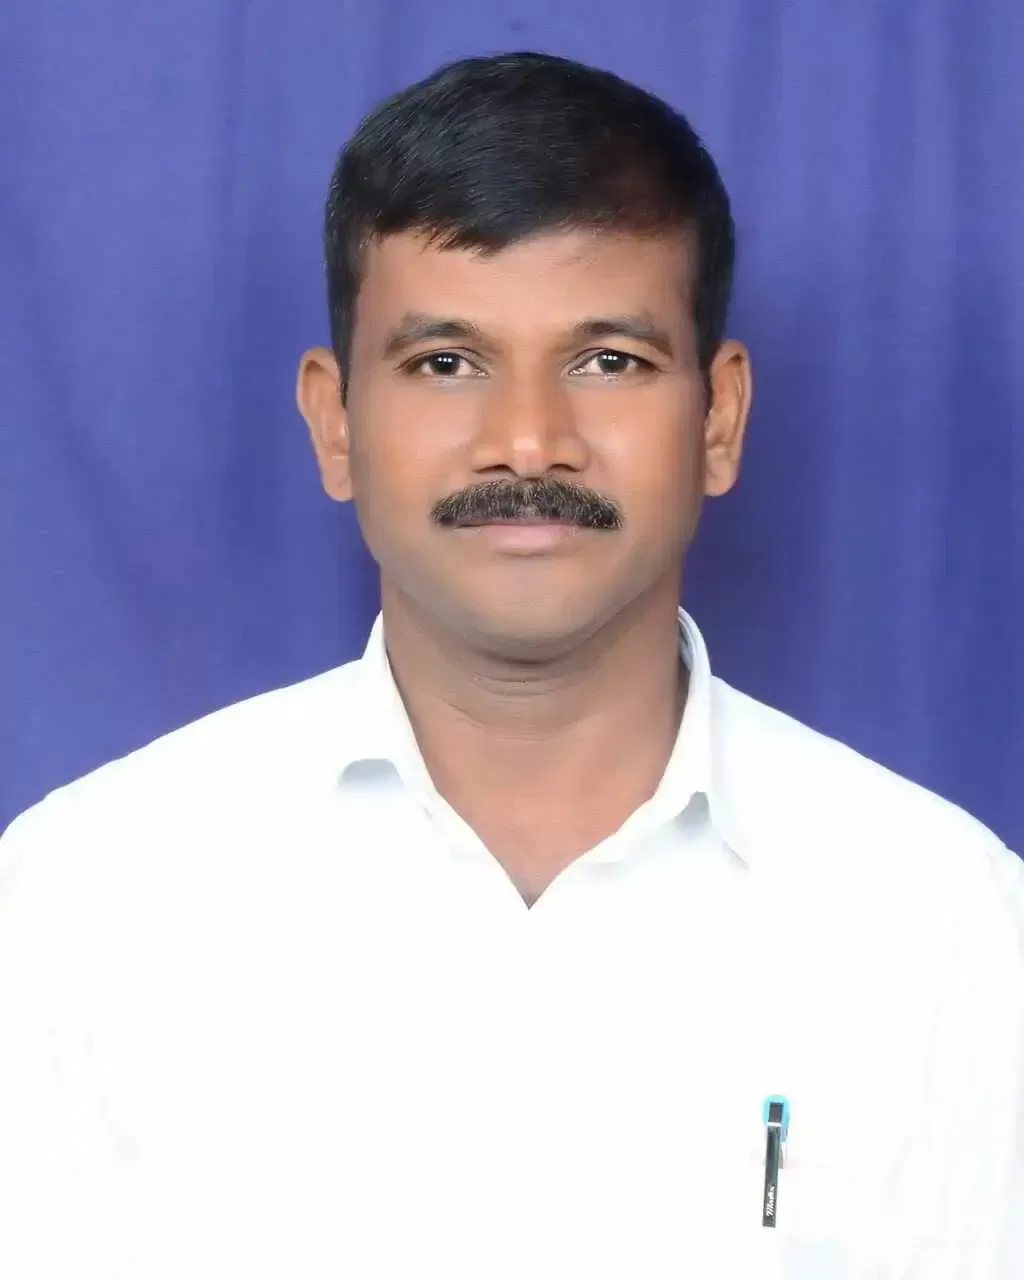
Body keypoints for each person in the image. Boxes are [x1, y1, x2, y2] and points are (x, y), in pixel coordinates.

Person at [0, 50, 1021, 1280]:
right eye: (446, 362)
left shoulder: (947, 926)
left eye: (608, 360)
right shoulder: (80, 901)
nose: (529, 440)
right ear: (334, 421)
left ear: (718, 417)